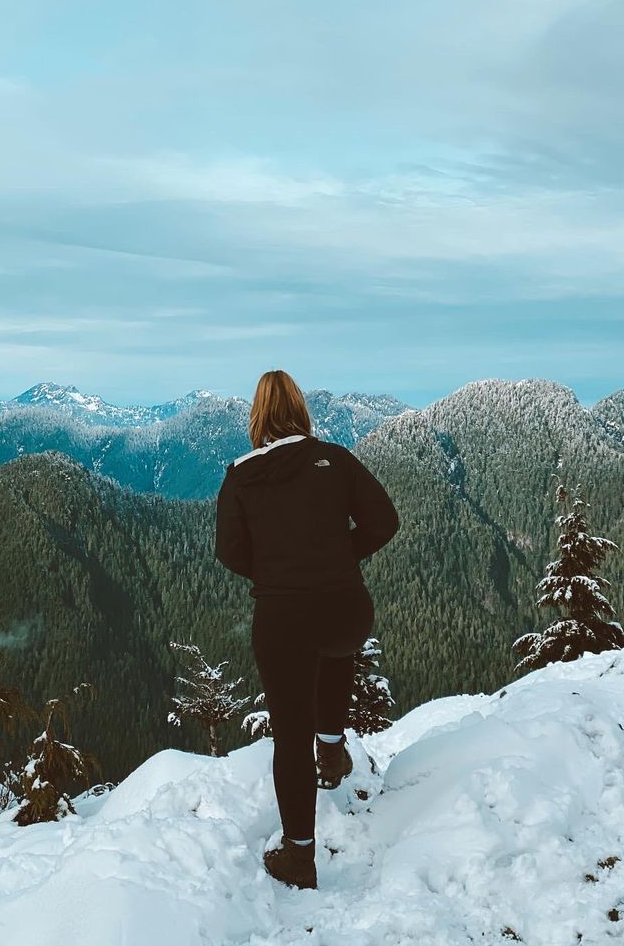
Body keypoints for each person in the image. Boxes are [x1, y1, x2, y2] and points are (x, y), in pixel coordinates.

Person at [215, 368, 401, 892]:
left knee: (287, 735)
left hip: (282, 617)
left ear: (257, 417)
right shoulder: (335, 460)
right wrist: (339, 558)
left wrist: (275, 573)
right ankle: (333, 746)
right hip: (346, 608)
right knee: (336, 652)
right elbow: (384, 521)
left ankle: (300, 855)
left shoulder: (241, 474)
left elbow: (228, 551)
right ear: (300, 409)